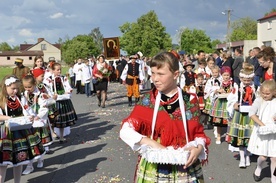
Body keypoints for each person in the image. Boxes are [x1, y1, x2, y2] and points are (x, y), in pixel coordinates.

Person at [119, 51, 210, 182]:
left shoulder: (189, 100)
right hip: (155, 165)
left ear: (175, 75)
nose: (155, 79)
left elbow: (198, 133)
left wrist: (198, 148)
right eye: (153, 73)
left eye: (160, 74)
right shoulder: (148, 100)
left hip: (184, 164)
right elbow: (125, 130)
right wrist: (150, 143)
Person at [0, 75, 45, 183]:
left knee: (19, 160)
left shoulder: (20, 98)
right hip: (6, 133)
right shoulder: (1, 100)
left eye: (17, 88)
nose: (15, 91)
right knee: (3, 163)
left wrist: (30, 116)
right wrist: (9, 118)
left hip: (20, 132)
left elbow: (27, 110)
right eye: (13, 89)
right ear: (5, 87)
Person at [21, 75, 54, 174]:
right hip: (28, 122)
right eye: (25, 87)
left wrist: (38, 116)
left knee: (39, 143)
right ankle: (29, 165)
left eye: (29, 87)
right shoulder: (23, 95)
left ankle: (40, 159)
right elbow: (23, 106)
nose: (27, 89)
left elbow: (44, 108)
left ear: (34, 84)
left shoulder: (41, 95)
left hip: (38, 122)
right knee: (29, 145)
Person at [226, 63, 256, 168]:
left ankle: (247, 156)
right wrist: (234, 105)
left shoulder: (255, 87)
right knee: (240, 137)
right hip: (240, 114)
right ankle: (242, 158)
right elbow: (231, 98)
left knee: (249, 137)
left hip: (251, 115)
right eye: (245, 80)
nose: (247, 82)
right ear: (241, 78)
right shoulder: (237, 87)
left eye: (248, 80)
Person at [247, 80, 276, 182]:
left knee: (274, 157)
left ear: (274, 92)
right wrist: (262, 125)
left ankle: (274, 177)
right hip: (262, 132)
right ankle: (259, 167)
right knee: (263, 157)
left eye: (267, 94)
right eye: (263, 93)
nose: (265, 95)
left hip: (273, 133)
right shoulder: (259, 100)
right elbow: (251, 113)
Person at [45, 63, 77, 143]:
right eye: (57, 70)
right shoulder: (49, 79)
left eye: (60, 69)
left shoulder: (63, 78)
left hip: (64, 100)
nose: (59, 71)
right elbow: (47, 90)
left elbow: (68, 87)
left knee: (62, 120)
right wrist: (52, 95)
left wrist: (67, 92)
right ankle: (52, 133)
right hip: (54, 102)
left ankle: (61, 137)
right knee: (53, 119)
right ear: (52, 70)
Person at [209, 66, 233, 144]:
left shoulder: (232, 83)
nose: (226, 77)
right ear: (221, 75)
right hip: (220, 102)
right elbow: (212, 91)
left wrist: (231, 93)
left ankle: (228, 135)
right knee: (219, 121)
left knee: (229, 120)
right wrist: (218, 90)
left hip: (228, 102)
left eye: (227, 75)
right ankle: (219, 136)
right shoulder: (218, 82)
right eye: (224, 75)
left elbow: (234, 93)